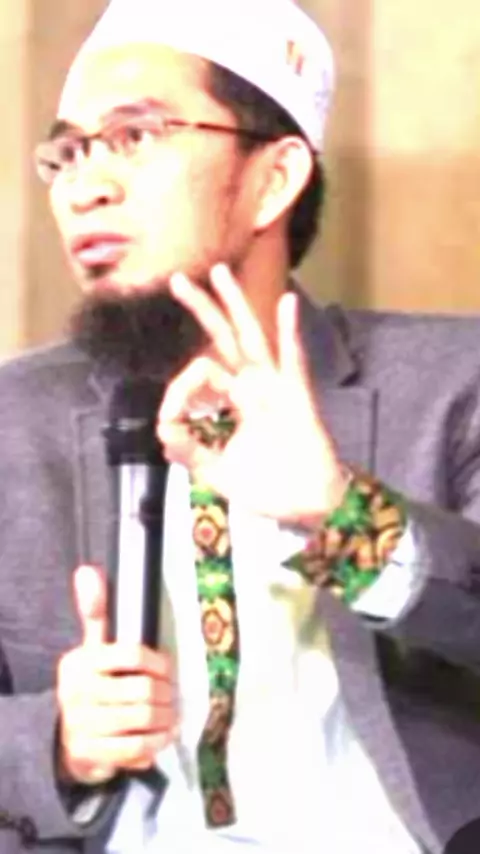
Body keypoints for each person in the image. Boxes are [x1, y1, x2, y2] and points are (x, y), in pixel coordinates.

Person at [1, 0, 480, 851]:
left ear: (275, 177)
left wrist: (343, 517)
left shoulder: (451, 384)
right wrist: (59, 742)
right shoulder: (13, 421)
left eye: (135, 136)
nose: (84, 186)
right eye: (68, 152)